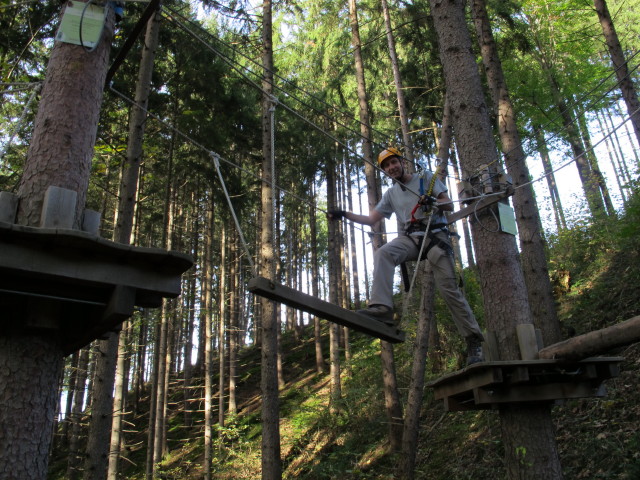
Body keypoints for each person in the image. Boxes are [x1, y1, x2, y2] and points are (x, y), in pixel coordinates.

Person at [328, 147, 484, 365]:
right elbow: (371, 219)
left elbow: (448, 204)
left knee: (450, 291)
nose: (392, 168)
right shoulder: (392, 194)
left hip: (435, 237)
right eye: (387, 166)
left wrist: (432, 202)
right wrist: (343, 213)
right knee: (384, 253)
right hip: (411, 239)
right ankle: (382, 308)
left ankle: (473, 340)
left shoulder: (425, 178)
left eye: (394, 162)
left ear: (402, 162)